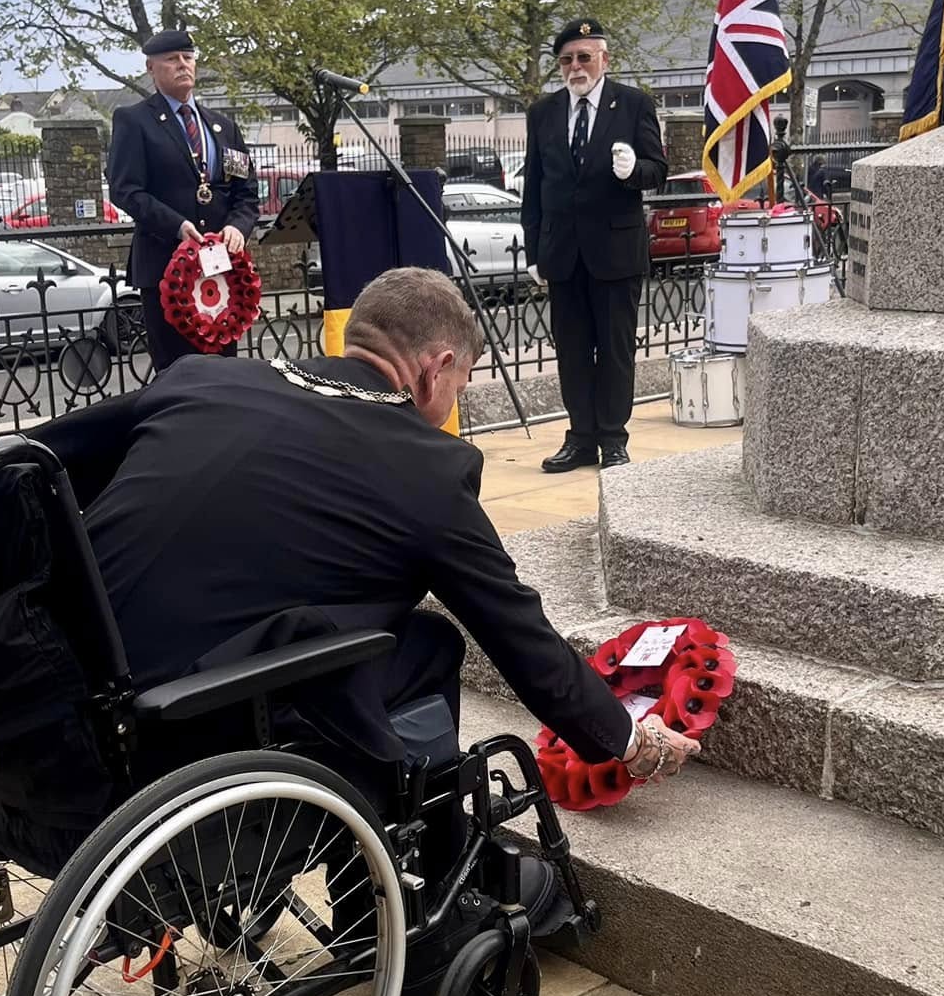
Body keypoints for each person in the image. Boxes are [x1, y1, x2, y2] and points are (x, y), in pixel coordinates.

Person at [69, 268, 699, 870]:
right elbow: (519, 636)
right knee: (427, 645)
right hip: (163, 743)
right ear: (435, 369)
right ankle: (405, 883)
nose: (452, 403)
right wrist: (630, 743)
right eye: (460, 387)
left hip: (52, 693)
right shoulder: (426, 470)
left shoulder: (203, 379)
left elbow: (42, 463)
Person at [519, 17, 668, 472]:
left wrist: (633, 171)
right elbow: (535, 187)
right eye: (566, 60)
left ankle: (613, 439)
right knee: (573, 352)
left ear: (604, 59)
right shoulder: (543, 112)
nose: (575, 67)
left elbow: (658, 170)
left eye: (584, 57)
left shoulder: (633, 104)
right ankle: (581, 438)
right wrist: (534, 252)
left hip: (615, 252)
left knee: (616, 351)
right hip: (563, 253)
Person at [105, 26, 260, 371]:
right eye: (172, 59)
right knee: (178, 373)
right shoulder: (134, 121)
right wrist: (177, 226)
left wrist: (238, 226)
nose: (183, 65)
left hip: (221, 272)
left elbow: (246, 191)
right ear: (151, 67)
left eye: (188, 58)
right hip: (166, 268)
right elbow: (125, 189)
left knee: (223, 371)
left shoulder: (223, 127)